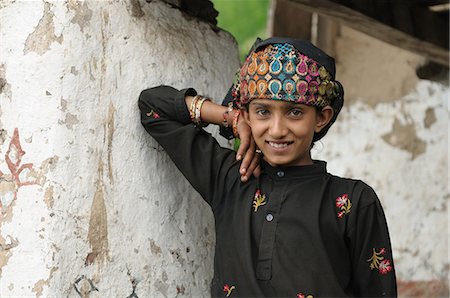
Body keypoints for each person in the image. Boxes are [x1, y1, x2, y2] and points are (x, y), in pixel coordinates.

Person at [138, 37, 397, 297]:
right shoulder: (230, 178)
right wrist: (231, 118)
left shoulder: (353, 202)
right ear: (248, 114)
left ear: (321, 117)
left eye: (294, 112)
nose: (277, 129)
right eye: (263, 112)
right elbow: (152, 107)